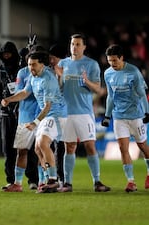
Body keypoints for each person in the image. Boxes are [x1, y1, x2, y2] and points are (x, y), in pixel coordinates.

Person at [2, 50, 66, 193]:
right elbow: (25, 92)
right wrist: (9, 100)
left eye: (34, 64)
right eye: (29, 64)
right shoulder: (33, 77)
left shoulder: (48, 79)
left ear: (42, 64)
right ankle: (47, 181)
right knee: (38, 148)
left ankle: (52, 180)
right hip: (47, 115)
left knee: (43, 143)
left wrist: (35, 122)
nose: (31, 67)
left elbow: (48, 105)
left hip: (56, 115)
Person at [57, 33, 111, 192]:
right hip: (66, 112)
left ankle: (97, 182)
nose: (74, 47)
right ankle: (67, 183)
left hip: (84, 112)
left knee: (90, 145)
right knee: (69, 147)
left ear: (84, 47)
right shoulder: (63, 63)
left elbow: (98, 89)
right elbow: (57, 84)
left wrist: (87, 81)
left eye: (78, 44)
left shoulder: (91, 64)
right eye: (72, 44)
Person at [102, 44, 149, 192]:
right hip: (119, 117)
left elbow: (142, 94)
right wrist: (107, 116)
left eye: (114, 60)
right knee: (123, 148)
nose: (112, 64)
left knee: (142, 146)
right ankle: (131, 182)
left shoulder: (133, 72)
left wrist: (147, 113)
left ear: (122, 58)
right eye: (109, 61)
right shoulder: (108, 73)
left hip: (135, 116)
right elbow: (110, 96)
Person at [3, 46, 40, 192]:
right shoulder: (23, 73)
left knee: (41, 150)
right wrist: (10, 99)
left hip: (41, 117)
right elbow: (21, 92)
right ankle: (17, 183)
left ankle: (43, 181)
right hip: (25, 117)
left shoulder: (46, 74)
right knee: (22, 151)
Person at [0, 41, 21, 189]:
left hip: (22, 113)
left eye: (9, 54)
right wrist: (0, 102)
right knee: (8, 148)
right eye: (4, 54)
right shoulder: (0, 72)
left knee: (24, 147)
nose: (7, 56)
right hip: (5, 114)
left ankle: (33, 179)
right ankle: (11, 179)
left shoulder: (22, 70)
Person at [48, 43, 68, 187]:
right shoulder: (49, 71)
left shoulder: (68, 70)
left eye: (53, 58)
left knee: (62, 147)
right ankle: (51, 177)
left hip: (65, 113)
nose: (51, 61)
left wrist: (62, 74)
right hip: (51, 113)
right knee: (49, 145)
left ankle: (62, 178)